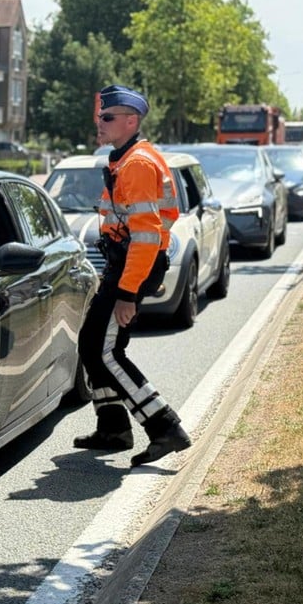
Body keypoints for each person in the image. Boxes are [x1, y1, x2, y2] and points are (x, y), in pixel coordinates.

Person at [73, 84, 191, 467]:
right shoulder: (125, 158)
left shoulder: (137, 163)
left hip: (132, 267)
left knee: (103, 350)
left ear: (130, 121)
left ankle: (164, 426)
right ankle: (113, 428)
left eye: (106, 118)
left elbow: (145, 234)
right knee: (94, 345)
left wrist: (127, 292)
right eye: (99, 117)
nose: (99, 123)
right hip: (125, 264)